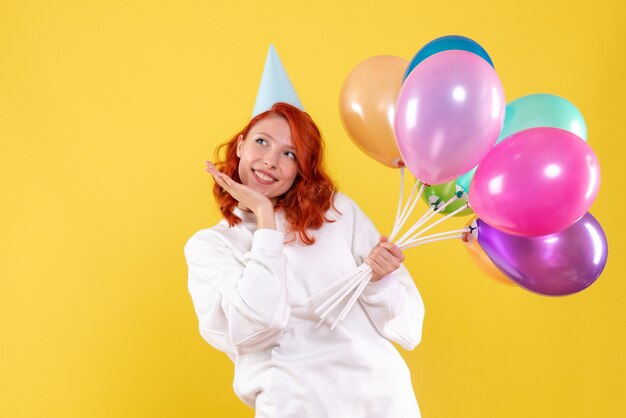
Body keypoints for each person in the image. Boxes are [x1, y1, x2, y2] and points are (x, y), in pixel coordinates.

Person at [185, 102, 425, 417]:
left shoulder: (337, 212)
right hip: (294, 406)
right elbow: (256, 327)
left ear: (302, 167)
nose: (270, 160)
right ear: (241, 145)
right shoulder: (211, 246)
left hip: (382, 400)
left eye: (290, 154)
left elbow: (409, 330)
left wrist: (379, 283)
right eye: (262, 142)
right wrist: (264, 217)